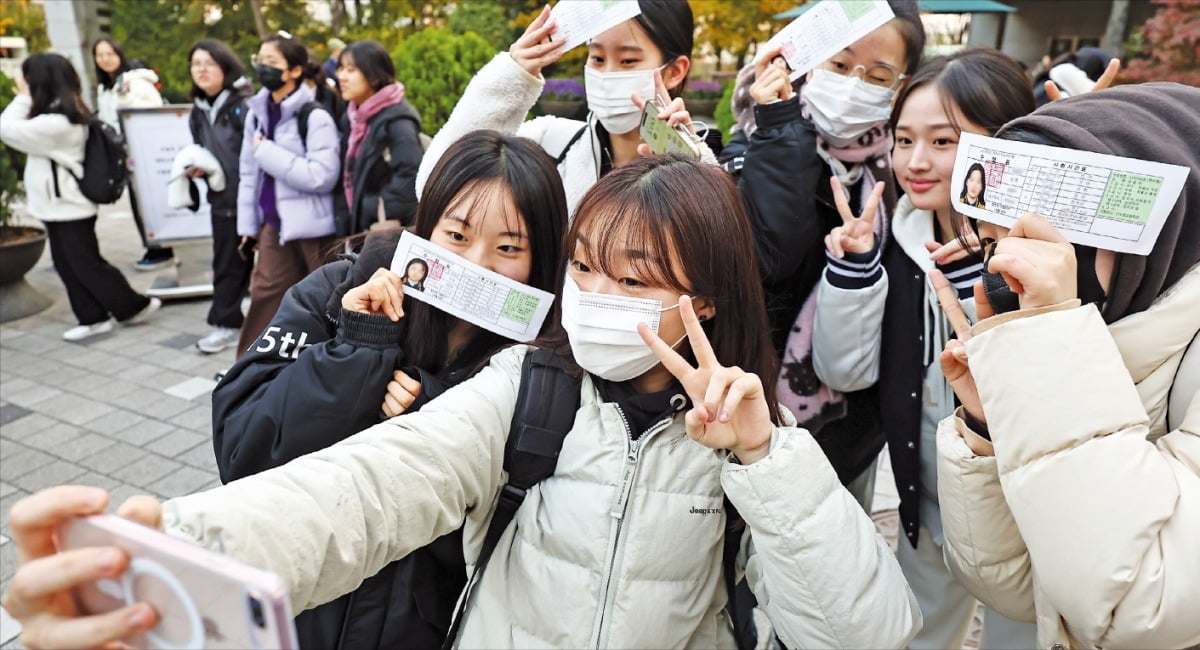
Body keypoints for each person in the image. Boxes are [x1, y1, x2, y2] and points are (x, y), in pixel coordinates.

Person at [4, 155, 922, 650]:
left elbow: (868, 632)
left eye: (634, 278)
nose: (597, 296)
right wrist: (166, 562)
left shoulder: (755, 444)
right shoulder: (529, 386)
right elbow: (366, 492)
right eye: (588, 270)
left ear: (707, 299)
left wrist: (765, 463)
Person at [211, 130, 567, 649]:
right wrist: (356, 351)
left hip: (424, 627)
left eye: (509, 247)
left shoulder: (544, 364)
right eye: (458, 235)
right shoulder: (339, 289)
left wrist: (441, 422)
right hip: (299, 608)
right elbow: (241, 450)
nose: (477, 263)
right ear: (426, 228)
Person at [931, 82, 1200, 650]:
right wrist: (986, 432)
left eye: (1053, 237)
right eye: (992, 239)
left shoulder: (1068, 342)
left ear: (1167, 232)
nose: (1008, 261)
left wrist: (1050, 346)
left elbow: (1138, 607)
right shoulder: (1073, 338)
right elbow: (1018, 589)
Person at [810, 47, 1038, 650]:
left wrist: (989, 286)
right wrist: (854, 274)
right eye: (903, 139)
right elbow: (845, 372)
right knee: (915, 634)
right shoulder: (896, 245)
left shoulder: (1050, 258)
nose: (915, 161)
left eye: (943, 142)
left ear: (1006, 143)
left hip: (1031, 519)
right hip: (929, 501)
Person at [734, 0, 925, 506]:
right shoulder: (751, 144)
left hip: (853, 430)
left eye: (877, 75)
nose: (853, 83)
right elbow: (773, 254)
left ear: (901, 85)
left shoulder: (906, 170)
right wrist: (779, 128)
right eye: (840, 66)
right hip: (752, 413)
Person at [416, 0, 715, 216]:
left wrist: (692, 167)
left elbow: (722, 254)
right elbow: (437, 185)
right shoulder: (549, 146)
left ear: (674, 71)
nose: (607, 74)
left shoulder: (698, 164)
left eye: (628, 61)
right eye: (597, 59)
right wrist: (511, 75)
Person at [0, 54, 161, 341]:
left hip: (69, 207)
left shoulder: (57, 122)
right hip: (57, 206)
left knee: (87, 264)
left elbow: (5, 128)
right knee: (69, 264)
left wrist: (23, 98)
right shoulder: (58, 114)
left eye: (26, 78)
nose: (21, 84)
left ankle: (134, 306)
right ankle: (93, 317)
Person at [236, 32, 342, 358]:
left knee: (327, 300)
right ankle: (248, 367)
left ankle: (333, 362)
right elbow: (248, 173)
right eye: (259, 60)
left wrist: (267, 151)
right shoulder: (256, 113)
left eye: (271, 62)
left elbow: (322, 176)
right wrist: (247, 225)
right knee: (264, 293)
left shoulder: (314, 115)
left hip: (314, 228)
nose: (262, 67)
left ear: (294, 70)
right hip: (274, 223)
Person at [185, 39, 256, 355]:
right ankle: (228, 324)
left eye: (208, 63)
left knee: (266, 268)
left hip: (254, 201)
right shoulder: (198, 111)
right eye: (195, 64)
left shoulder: (244, 105)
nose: (201, 70)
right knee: (227, 262)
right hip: (222, 200)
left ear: (225, 68)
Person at [92, 37, 173, 272]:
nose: (105, 59)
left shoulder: (134, 83)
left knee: (148, 202)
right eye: (100, 55)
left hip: (143, 154)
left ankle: (162, 247)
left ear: (120, 55)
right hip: (123, 154)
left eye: (110, 53)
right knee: (137, 203)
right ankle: (154, 245)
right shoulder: (104, 87)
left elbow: (151, 116)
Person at [335, 39, 423, 236]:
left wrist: (369, 208)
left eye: (351, 70)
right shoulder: (352, 117)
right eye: (340, 68)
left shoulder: (397, 120)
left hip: (380, 227)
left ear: (374, 77)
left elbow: (411, 176)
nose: (342, 76)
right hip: (355, 223)